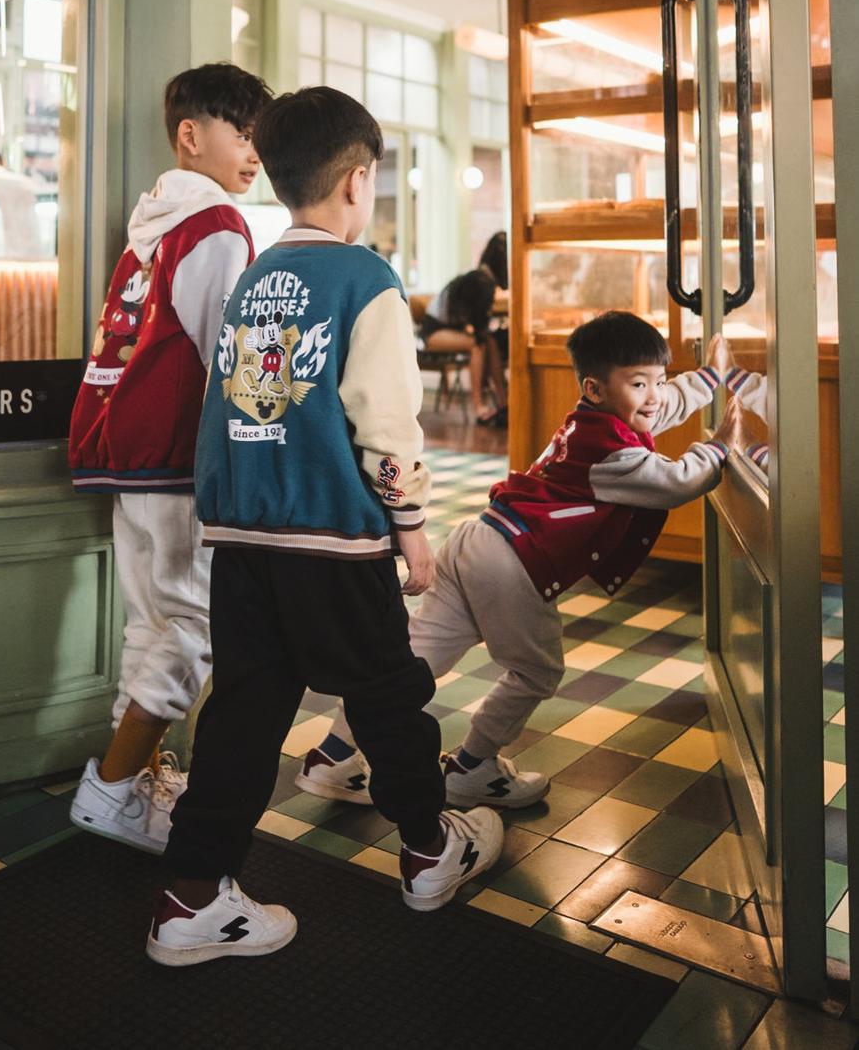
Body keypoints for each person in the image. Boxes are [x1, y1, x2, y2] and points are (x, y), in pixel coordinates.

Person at [146, 87, 503, 967]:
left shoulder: (254, 278)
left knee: (241, 715)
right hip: (333, 542)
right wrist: (411, 527)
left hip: (243, 540)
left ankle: (191, 897)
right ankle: (429, 848)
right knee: (387, 695)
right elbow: (387, 424)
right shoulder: (364, 279)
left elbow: (226, 407)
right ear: (357, 180)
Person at [298, 311, 741, 812]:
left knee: (416, 659)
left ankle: (332, 756)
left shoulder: (596, 420)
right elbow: (677, 481)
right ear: (595, 389)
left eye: (659, 380)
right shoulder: (614, 454)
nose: (655, 395)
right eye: (640, 384)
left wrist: (710, 376)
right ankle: (472, 767)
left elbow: (664, 406)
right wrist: (720, 448)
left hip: (475, 538)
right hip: (512, 560)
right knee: (536, 671)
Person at [67, 63, 271, 854]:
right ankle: (114, 787)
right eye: (242, 133)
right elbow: (230, 354)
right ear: (191, 135)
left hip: (129, 446)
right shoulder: (216, 222)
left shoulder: (152, 219)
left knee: (151, 621)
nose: (254, 152)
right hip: (182, 451)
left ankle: (137, 782)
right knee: (191, 623)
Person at [421, 230, 508, 425]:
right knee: (477, 345)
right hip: (432, 333)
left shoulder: (479, 279)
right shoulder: (481, 284)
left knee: (490, 342)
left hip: (449, 329)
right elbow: (477, 330)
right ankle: (479, 407)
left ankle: (504, 403)